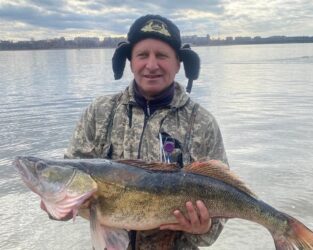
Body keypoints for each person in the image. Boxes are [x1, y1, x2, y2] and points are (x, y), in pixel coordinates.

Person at [64, 14, 228, 250]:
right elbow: (69, 177)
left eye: (162, 55)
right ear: (130, 61)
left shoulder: (202, 123)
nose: (152, 65)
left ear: (178, 63)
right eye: (142, 55)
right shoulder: (99, 113)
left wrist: (204, 228)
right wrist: (57, 205)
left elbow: (219, 218)